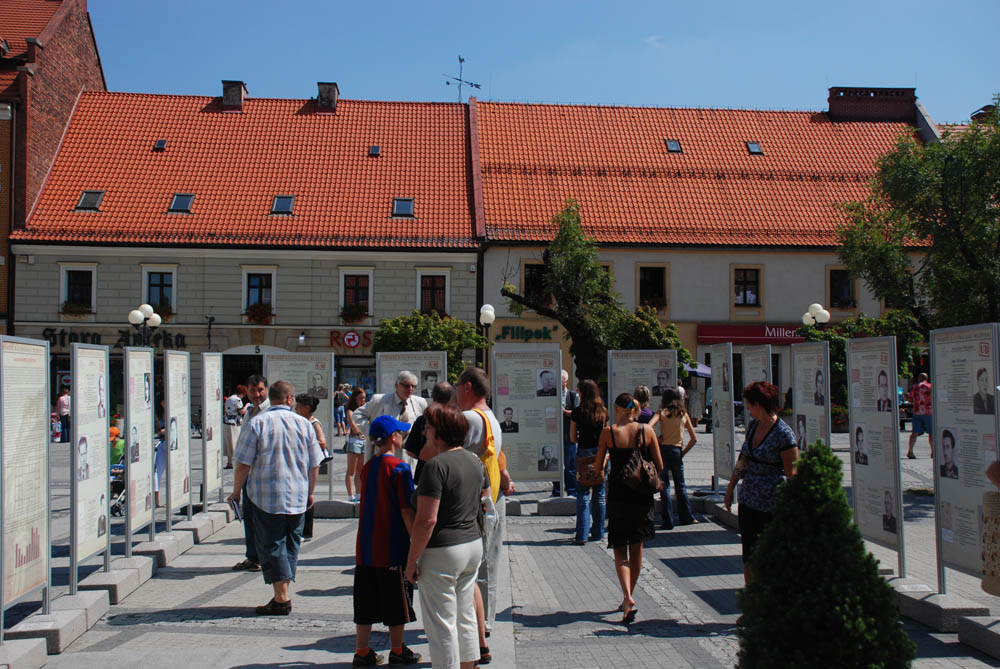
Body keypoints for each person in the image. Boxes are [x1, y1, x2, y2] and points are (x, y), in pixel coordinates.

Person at [227, 381, 322, 616]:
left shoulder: (257, 423)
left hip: (265, 496)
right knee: (291, 543)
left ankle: (281, 597)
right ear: (290, 399)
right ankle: (283, 593)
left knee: (272, 544)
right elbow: (315, 463)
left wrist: (236, 491)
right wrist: (310, 492)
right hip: (298, 495)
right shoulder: (304, 424)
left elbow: (243, 463)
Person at [405, 404, 487, 669]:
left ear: (440, 432)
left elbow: (426, 520)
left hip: (443, 550)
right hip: (472, 544)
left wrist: (412, 560)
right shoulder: (473, 460)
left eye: (428, 428)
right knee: (465, 615)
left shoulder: (435, 466)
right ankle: (469, 664)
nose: (425, 433)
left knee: (441, 623)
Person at [352, 415, 420, 667]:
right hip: (392, 546)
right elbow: (406, 510)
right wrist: (416, 542)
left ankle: (362, 651)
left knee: (365, 600)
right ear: (393, 437)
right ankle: (398, 649)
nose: (402, 436)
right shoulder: (400, 469)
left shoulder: (368, 467)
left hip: (366, 547)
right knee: (396, 600)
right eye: (400, 433)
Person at [454, 367, 513, 636]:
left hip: (475, 501)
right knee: (489, 561)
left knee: (480, 565)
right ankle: (485, 619)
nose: (455, 392)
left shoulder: (469, 418)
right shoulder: (490, 416)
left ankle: (481, 622)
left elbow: (448, 455)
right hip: (492, 497)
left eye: (457, 386)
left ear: (467, 387)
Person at [595, 393, 663, 624]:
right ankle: (628, 597)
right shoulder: (647, 431)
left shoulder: (609, 432)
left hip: (619, 495)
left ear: (616, 409)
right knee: (637, 547)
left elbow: (598, 465)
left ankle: (627, 597)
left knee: (619, 549)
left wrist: (604, 466)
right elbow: (660, 464)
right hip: (641, 495)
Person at [723, 381, 798, 586]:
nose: (747, 408)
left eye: (749, 404)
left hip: (770, 505)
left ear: (758, 404)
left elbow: (792, 473)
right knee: (749, 553)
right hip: (748, 500)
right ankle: (751, 597)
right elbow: (743, 460)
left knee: (768, 554)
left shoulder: (783, 433)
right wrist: (730, 488)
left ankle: (768, 598)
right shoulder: (754, 426)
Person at [232, 374, 269, 572]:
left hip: (261, 474)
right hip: (247, 473)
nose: (257, 394)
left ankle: (261, 557)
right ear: (247, 391)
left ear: (266, 389)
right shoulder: (249, 411)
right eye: (253, 390)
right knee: (249, 516)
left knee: (261, 518)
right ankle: (253, 556)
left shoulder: (268, 412)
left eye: (260, 390)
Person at [352, 371, 428, 463]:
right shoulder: (380, 400)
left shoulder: (420, 402)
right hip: (385, 456)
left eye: (413, 386)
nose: (410, 389)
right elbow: (357, 414)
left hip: (410, 458)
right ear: (397, 385)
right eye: (407, 386)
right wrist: (372, 433)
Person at [649, 387, 698, 529]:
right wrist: (683, 452)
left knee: (664, 485)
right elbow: (694, 438)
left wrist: (658, 439)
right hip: (677, 450)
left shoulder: (662, 412)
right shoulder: (683, 414)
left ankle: (668, 520)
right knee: (680, 484)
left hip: (664, 449)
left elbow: (649, 426)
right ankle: (686, 517)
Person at [570, 379, 607, 545]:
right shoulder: (603, 412)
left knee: (583, 494)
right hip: (600, 453)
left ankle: (582, 534)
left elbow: (572, 438)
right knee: (599, 493)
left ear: (583, 392)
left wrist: (581, 439)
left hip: (584, 454)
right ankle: (598, 532)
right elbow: (605, 435)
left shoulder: (578, 412)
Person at [404, 381, 454, 485]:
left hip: (425, 473)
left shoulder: (423, 419)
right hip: (451, 473)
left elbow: (410, 451)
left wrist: (424, 456)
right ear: (452, 397)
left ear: (433, 396)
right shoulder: (457, 420)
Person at [294, 393, 327, 542]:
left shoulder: (314, 423)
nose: (296, 409)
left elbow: (322, 442)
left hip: (310, 463)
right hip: (302, 463)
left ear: (307, 408)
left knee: (307, 496)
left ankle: (306, 531)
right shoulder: (301, 421)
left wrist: (307, 441)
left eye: (298, 406)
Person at [553, 369, 579, 496]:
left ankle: (572, 491)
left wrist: (564, 412)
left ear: (566, 381)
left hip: (569, 436)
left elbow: (578, 413)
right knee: (555, 466)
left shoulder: (573, 395)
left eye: (561, 380)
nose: (558, 383)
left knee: (569, 467)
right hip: (554, 435)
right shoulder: (552, 394)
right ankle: (557, 491)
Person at [906, 373, 933, 459]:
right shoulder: (930, 387)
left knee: (914, 433)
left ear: (918, 378)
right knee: (931, 433)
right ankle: (933, 452)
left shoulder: (914, 387)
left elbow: (910, 399)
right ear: (927, 378)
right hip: (928, 412)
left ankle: (910, 451)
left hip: (916, 412)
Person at [223, 385, 245, 469]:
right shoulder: (237, 400)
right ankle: (235, 463)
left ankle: (230, 463)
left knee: (230, 444)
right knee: (235, 444)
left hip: (227, 423)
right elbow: (242, 411)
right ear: (242, 393)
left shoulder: (229, 398)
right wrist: (248, 406)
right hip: (234, 424)